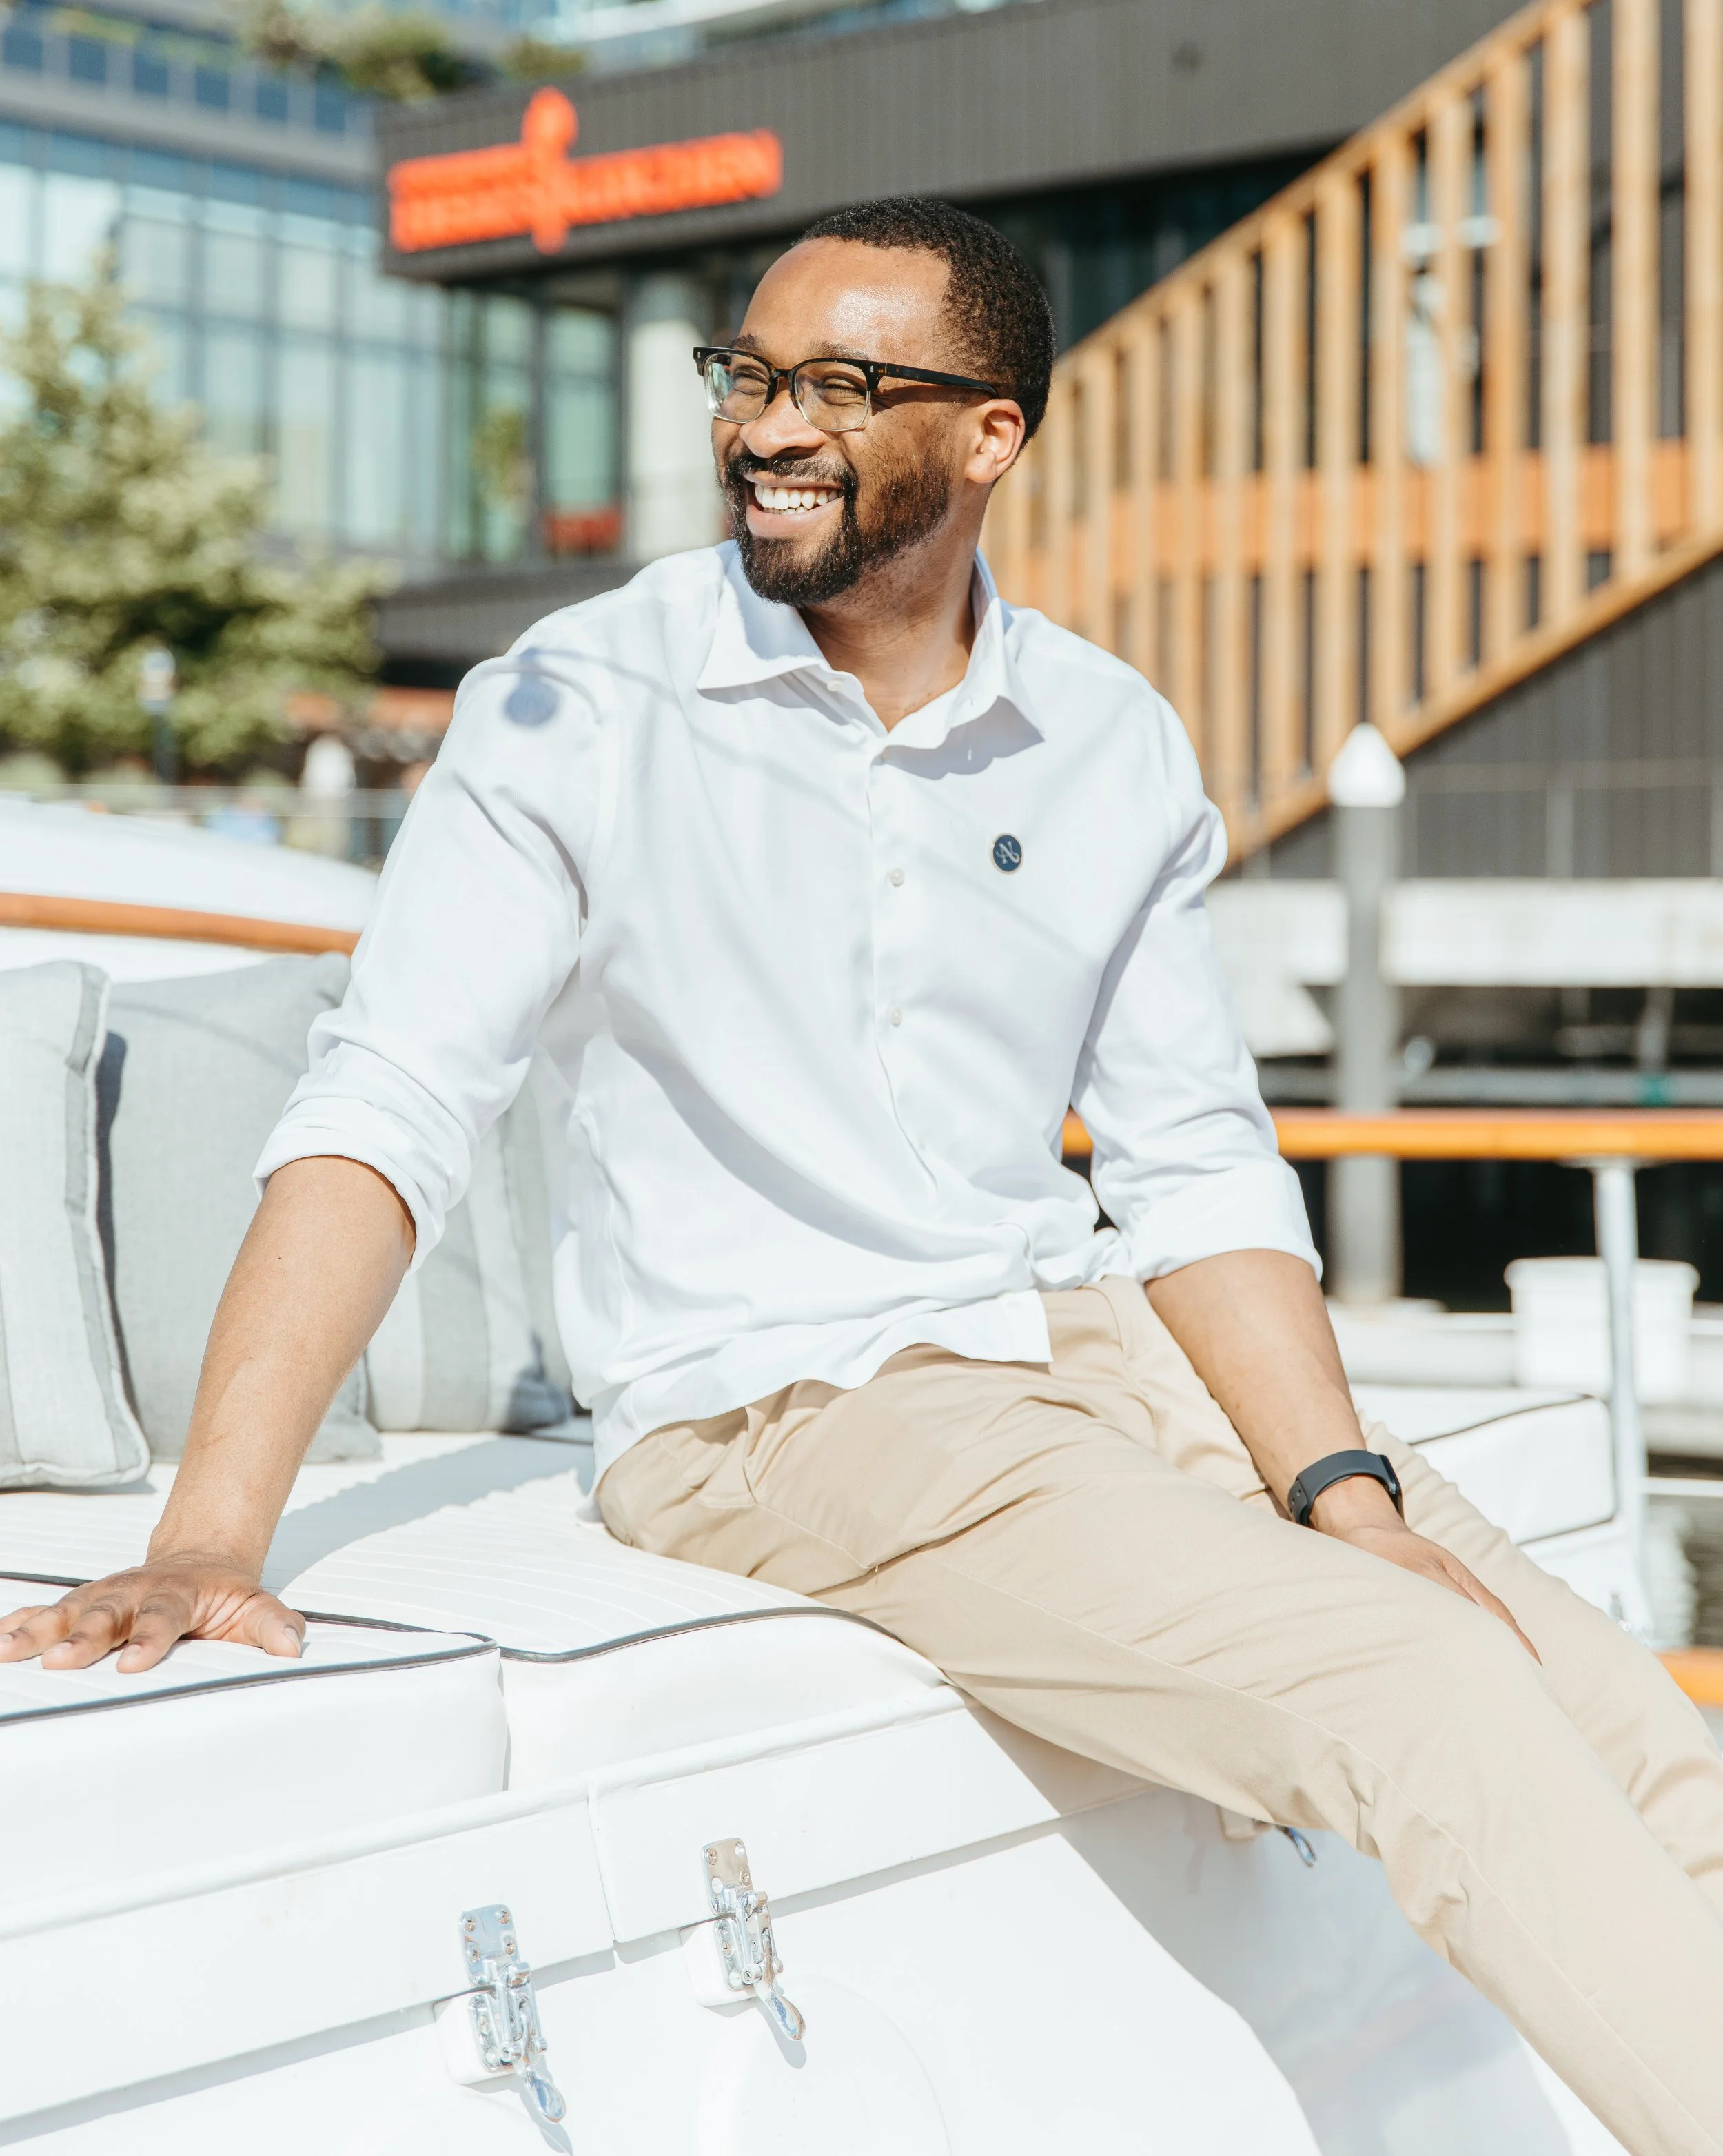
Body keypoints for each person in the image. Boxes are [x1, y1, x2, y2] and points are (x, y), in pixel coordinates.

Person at [6, 199, 1720, 2155]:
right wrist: (214, 1531)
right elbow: (387, 1108)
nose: (764, 424)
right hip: (785, 1405)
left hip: (1077, 1343)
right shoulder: (580, 705)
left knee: (1611, 1715)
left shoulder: (1104, 737)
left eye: (838, 382)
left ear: (988, 434)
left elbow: (1192, 1163)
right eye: (745, 372)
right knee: (1419, 1687)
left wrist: (1339, 1486)